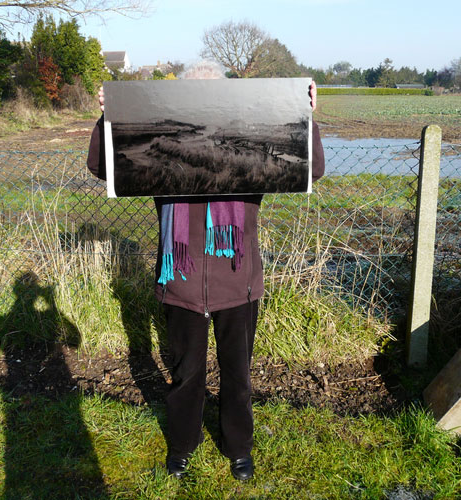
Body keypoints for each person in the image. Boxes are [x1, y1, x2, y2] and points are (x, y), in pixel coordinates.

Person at [87, 62, 325, 480]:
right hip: (180, 281)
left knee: (238, 374)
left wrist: (307, 117)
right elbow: (101, 165)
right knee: (186, 372)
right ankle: (182, 444)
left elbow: (312, 168)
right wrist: (110, 118)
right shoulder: (162, 153)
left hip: (239, 280)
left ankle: (238, 448)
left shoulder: (249, 149)